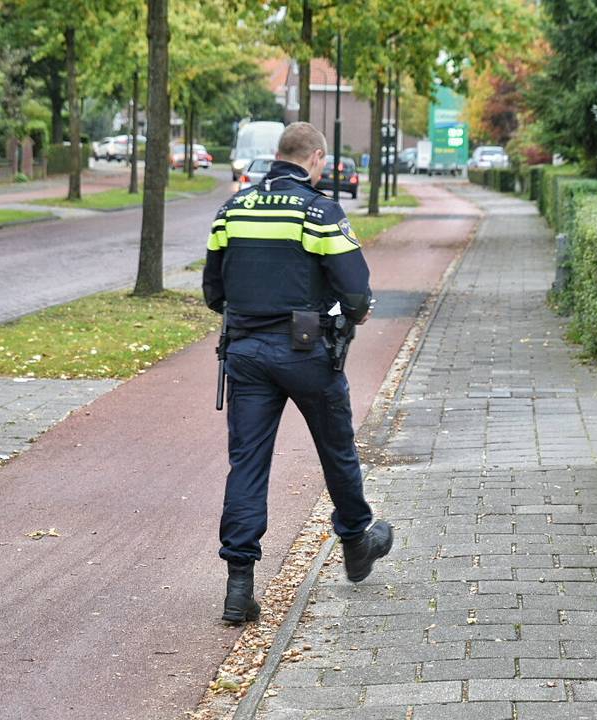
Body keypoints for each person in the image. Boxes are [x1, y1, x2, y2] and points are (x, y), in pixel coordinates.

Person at [203, 122, 393, 625]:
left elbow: (213, 294)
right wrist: (353, 312)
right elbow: (356, 294)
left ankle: (239, 587)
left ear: (277, 156)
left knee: (247, 463)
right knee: (337, 450)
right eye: (323, 163)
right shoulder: (319, 211)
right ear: (314, 158)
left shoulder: (233, 210)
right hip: (307, 353)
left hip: (245, 353)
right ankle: (356, 543)